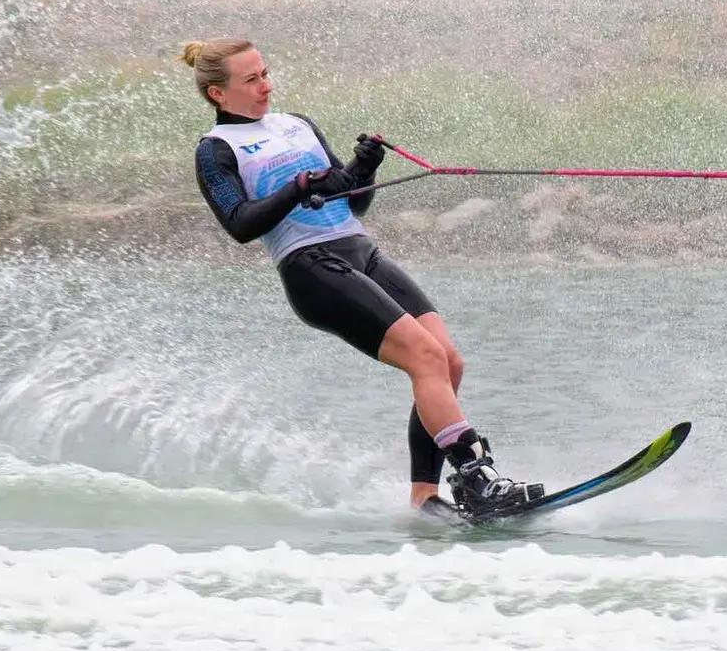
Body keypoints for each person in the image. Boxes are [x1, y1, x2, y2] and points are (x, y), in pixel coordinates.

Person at [182, 36, 541, 518]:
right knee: (425, 356)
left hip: (359, 249)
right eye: (251, 79)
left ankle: (423, 496)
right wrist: (297, 187)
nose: (265, 85)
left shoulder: (297, 125)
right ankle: (478, 479)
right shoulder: (216, 150)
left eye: (265, 73)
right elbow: (241, 224)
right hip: (310, 268)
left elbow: (352, 200)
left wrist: (363, 169)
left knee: (448, 363)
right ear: (217, 94)